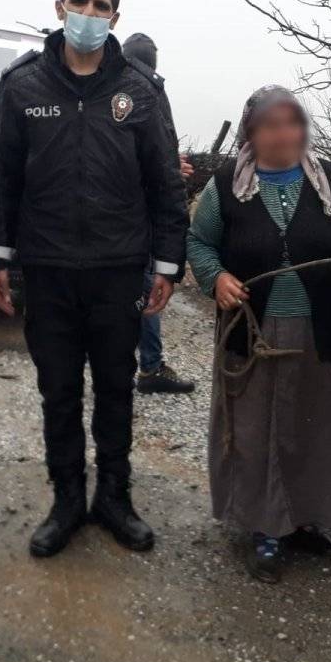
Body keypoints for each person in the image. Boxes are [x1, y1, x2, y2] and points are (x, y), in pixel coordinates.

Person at [0, 0, 188, 558]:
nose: (89, 15)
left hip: (118, 269)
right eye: (79, 2)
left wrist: (168, 264)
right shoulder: (22, 85)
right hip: (47, 270)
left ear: (115, 16)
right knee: (59, 391)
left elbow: (164, 182)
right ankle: (67, 498)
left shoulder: (139, 91)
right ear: (59, 7)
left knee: (117, 388)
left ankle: (113, 498)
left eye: (100, 6)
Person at [186, 85, 331, 583]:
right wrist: (217, 278)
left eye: (292, 123)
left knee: (314, 428)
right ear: (251, 131)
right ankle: (264, 528)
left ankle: (305, 519)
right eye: (271, 125)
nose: (284, 134)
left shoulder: (330, 182)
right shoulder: (228, 184)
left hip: (318, 330)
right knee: (255, 430)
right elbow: (199, 240)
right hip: (251, 334)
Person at [121, 32, 195, 395]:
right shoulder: (150, 89)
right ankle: (149, 367)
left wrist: (168, 163)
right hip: (143, 213)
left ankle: (113, 365)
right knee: (147, 287)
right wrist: (168, 169)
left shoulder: (109, 86)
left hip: (116, 216)